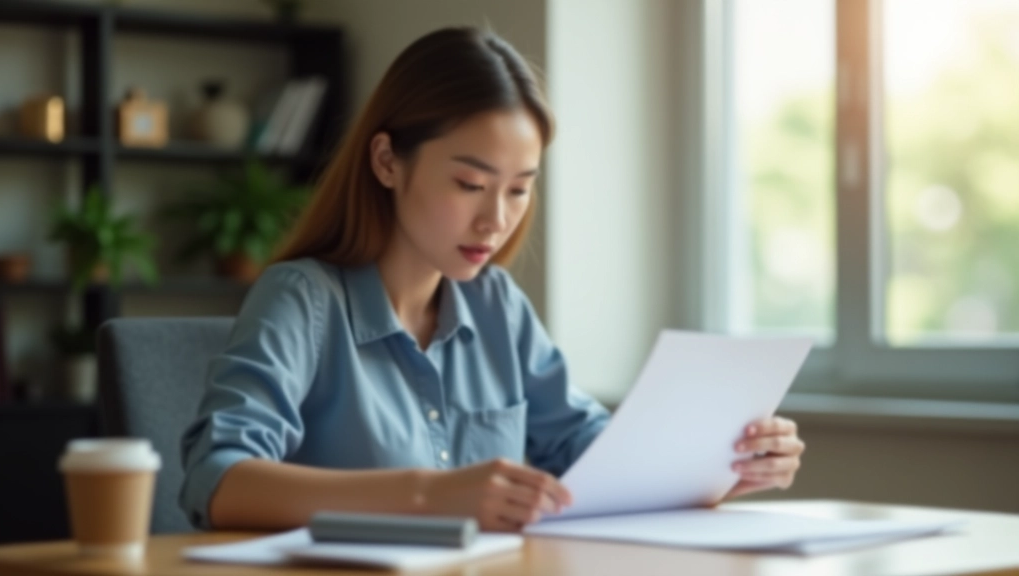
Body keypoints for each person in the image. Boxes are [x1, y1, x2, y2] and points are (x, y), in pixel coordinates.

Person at [179, 27, 805, 533]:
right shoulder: (304, 300)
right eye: (471, 185)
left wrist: (719, 466)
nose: (496, 219)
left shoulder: (495, 304)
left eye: (519, 190)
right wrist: (428, 495)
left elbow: (593, 457)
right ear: (387, 161)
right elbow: (219, 479)